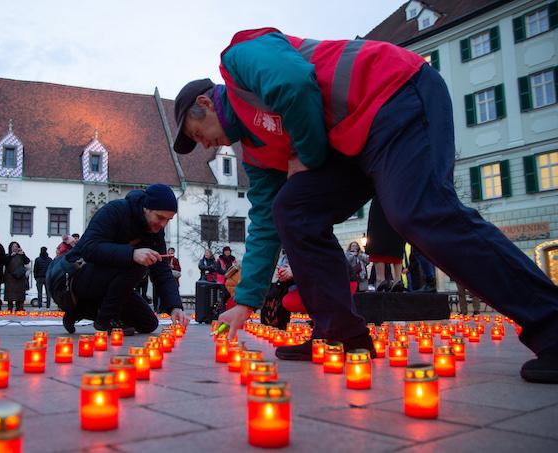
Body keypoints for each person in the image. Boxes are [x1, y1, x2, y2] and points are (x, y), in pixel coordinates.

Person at [173, 27, 558, 383]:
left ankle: (550, 322)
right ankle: (340, 335)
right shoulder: (256, 155)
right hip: (349, 145)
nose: (205, 145)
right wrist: (244, 302)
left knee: (417, 212)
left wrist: (305, 155)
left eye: (197, 134)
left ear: (206, 103)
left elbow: (294, 83)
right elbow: (265, 225)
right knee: (292, 210)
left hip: (394, 94)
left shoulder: (240, 59)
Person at [47, 183, 189, 335]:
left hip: (113, 285)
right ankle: (104, 319)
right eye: (160, 217)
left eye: (168, 220)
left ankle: (81, 310)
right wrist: (132, 254)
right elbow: (89, 247)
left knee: (148, 323)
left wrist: (175, 307)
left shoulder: (156, 231)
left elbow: (161, 271)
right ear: (146, 208)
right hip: (76, 278)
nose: (163, 225)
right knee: (138, 264)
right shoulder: (115, 210)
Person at [4, 241, 30, 312]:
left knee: (20, 293)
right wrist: (11, 256)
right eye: (13, 247)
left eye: (16, 246)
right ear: (10, 248)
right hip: (10, 277)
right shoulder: (8, 255)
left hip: (20, 277)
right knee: (10, 294)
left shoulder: (21, 255)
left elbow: (27, 261)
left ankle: (20, 307)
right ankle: (10, 307)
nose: (15, 248)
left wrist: (23, 254)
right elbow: (5, 262)